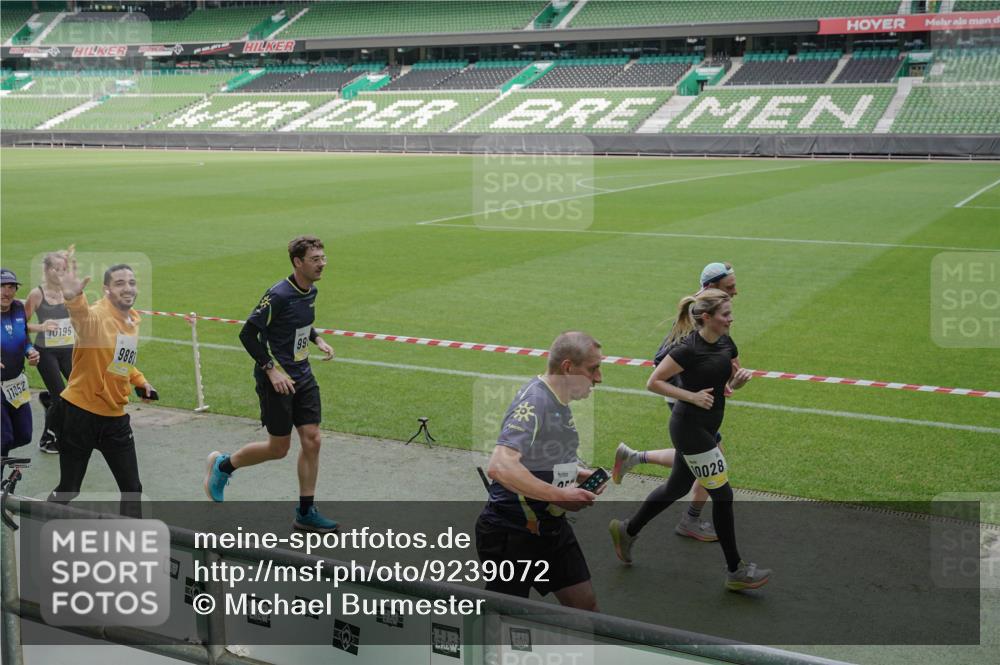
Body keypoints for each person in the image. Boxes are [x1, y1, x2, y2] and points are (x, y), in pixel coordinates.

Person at [609, 289, 770, 591]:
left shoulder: (725, 342)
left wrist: (734, 383)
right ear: (706, 317)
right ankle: (735, 570)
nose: (731, 319)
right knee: (723, 495)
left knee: (677, 486)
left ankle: (627, 530)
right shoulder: (687, 349)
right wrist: (690, 396)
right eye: (725, 314)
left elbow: (722, 386)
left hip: (707, 426)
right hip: (687, 427)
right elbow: (653, 382)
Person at [204, 236, 338, 533]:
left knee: (313, 439)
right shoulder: (277, 295)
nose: (322, 264)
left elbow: (300, 321)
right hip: (277, 381)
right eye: (315, 259)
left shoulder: (309, 290)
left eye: (323, 258)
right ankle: (224, 466)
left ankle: (306, 512)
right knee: (279, 449)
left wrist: (317, 339)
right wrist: (271, 371)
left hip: (303, 375)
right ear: (297, 262)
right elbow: (247, 334)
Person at [476, 331, 606, 611]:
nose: (599, 378)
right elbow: (500, 466)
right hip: (511, 534)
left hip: (551, 528)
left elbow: (543, 457)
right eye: (593, 369)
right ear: (568, 368)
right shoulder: (535, 403)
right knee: (500, 620)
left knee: (585, 607)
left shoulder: (558, 401)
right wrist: (558, 496)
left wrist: (576, 474)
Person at [612, 262, 738, 542]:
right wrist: (690, 390)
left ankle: (634, 459)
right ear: (710, 290)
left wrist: (724, 380)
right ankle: (691, 521)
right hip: (686, 405)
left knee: (686, 470)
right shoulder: (696, 320)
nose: (736, 292)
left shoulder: (714, 318)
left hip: (698, 403)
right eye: (730, 288)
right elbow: (662, 362)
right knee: (711, 458)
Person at [48, 252, 156, 517]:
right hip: (79, 415)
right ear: (106, 289)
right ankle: (37, 522)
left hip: (115, 419)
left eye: (131, 282)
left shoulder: (132, 320)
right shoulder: (97, 317)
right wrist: (73, 297)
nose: (127, 287)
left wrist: (140, 382)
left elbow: (121, 360)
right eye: (119, 283)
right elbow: (83, 318)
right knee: (70, 488)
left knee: (132, 488)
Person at [24, 251, 75, 454]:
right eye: (56, 269)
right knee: (61, 397)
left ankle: (49, 403)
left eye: (64, 269)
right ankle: (48, 438)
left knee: (77, 392)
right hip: (46, 353)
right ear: (46, 270)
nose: (61, 273)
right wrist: (41, 327)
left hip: (68, 349)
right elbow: (22, 324)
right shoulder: (37, 294)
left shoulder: (69, 292)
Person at [1, 269, 41, 456]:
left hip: (16, 384)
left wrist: (30, 351)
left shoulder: (17, 307)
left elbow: (23, 338)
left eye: (11, 287)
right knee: (4, 438)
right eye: (1, 286)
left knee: (24, 435)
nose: (6, 292)